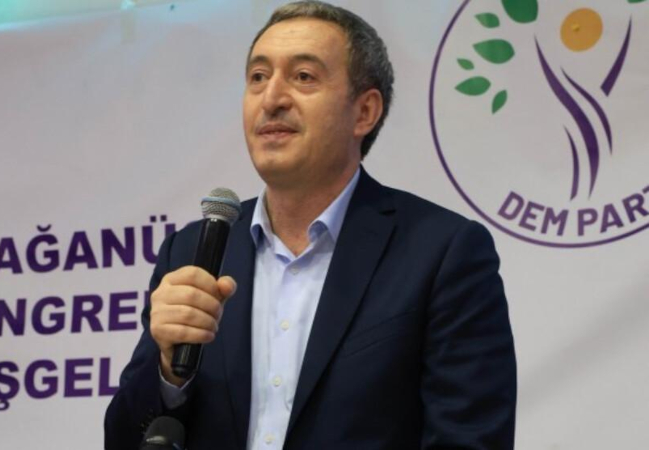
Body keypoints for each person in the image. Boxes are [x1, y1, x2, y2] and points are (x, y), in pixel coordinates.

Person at [104, 1, 517, 449]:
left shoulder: (441, 253)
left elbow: (469, 438)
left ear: (365, 112)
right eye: (258, 77)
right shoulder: (193, 252)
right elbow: (124, 440)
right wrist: (168, 373)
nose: (272, 99)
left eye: (303, 77)